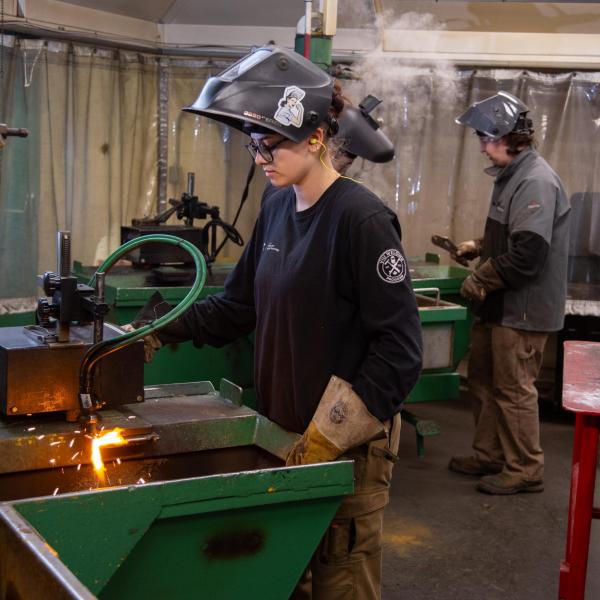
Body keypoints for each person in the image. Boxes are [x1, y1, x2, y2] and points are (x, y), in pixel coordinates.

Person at [142, 45, 423, 598]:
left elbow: (399, 351)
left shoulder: (361, 220)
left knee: (340, 582)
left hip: (344, 450)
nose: (260, 158)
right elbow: (239, 306)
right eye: (252, 146)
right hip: (283, 437)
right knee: (285, 578)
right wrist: (162, 327)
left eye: (270, 144)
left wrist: (328, 436)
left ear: (317, 137)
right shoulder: (275, 205)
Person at [449, 91, 570, 495]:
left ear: (508, 137)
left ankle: (525, 468)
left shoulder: (535, 179)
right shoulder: (510, 175)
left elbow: (530, 254)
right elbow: (512, 235)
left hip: (523, 309)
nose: (481, 146)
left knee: (514, 391)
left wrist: (482, 278)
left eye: (485, 137)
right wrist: (479, 246)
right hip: (500, 306)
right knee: (482, 380)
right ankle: (490, 455)